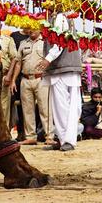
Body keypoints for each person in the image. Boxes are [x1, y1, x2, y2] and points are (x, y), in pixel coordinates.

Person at [40, 12, 82, 151]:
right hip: (65, 68)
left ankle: (68, 140)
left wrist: (48, 59)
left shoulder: (60, 17)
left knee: (63, 106)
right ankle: (63, 139)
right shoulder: (61, 17)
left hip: (63, 67)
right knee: (63, 106)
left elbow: (60, 41)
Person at [8, 27, 51, 146]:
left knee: (45, 109)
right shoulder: (23, 43)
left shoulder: (46, 42)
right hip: (25, 79)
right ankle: (30, 136)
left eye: (33, 28)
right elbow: (18, 63)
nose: (30, 30)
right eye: (29, 28)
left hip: (41, 78)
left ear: (40, 29)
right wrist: (13, 80)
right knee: (27, 110)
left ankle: (49, 135)